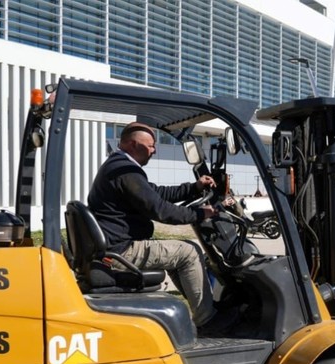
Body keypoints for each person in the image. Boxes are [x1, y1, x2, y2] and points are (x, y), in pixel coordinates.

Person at [87, 122, 238, 335]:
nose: (154, 150)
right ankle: (208, 319)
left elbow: (155, 193)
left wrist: (193, 188)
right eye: (150, 146)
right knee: (189, 252)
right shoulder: (125, 171)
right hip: (121, 251)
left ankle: (203, 308)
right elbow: (160, 210)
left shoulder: (119, 166)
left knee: (178, 255)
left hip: (115, 246)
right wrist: (201, 213)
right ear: (133, 144)